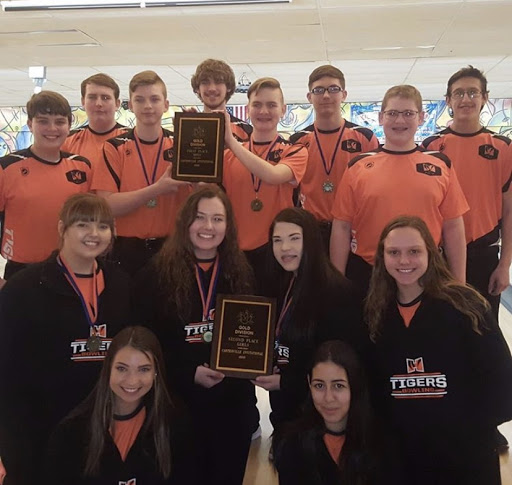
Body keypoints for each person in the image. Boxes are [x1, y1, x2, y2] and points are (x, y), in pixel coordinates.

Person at [366, 215, 512, 485]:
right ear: (382, 258)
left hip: (464, 458)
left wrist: (471, 429)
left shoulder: (465, 306)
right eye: (394, 252)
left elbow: (502, 382)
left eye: (414, 252)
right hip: (403, 458)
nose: (404, 261)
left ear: (432, 254)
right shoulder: (376, 313)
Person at [0, 193, 130, 485]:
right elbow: (6, 374)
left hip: (101, 427)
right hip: (40, 429)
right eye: (83, 225)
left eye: (103, 226)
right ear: (62, 229)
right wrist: (11, 447)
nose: (94, 234)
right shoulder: (24, 289)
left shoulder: (122, 285)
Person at [133, 186, 257, 485]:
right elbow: (146, 343)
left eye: (217, 219)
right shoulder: (156, 275)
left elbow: (252, 339)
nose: (208, 227)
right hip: (178, 408)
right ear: (185, 221)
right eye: (200, 218)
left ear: (228, 226)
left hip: (231, 409)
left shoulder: (242, 272)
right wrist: (188, 372)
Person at [330, 84, 468, 295]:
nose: (400, 120)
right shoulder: (357, 166)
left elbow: (453, 227)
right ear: (380, 117)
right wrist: (336, 281)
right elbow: (341, 228)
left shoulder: (441, 165)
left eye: (408, 113)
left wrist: (459, 283)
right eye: (392, 113)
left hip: (425, 272)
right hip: (368, 272)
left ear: (421, 117)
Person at [255, 207, 366, 430]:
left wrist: (286, 382)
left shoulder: (338, 293)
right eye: (277, 240)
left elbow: (340, 364)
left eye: (294, 238)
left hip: (320, 419)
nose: (285, 248)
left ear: (312, 241)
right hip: (285, 411)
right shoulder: (282, 283)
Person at [45, 326, 196, 485]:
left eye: (144, 369)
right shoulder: (71, 432)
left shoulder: (174, 422)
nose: (132, 380)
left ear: (156, 372)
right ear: (108, 368)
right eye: (122, 368)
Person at [422, 66, 512, 323]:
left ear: (485, 97)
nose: (466, 99)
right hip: (438, 255)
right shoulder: (430, 148)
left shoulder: (503, 148)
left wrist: (504, 264)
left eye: (473, 93)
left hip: (483, 253)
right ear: (448, 100)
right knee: (440, 326)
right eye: (458, 93)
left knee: (481, 328)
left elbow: (508, 209)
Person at [92, 70, 191, 275]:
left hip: (172, 246)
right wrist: (157, 189)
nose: (147, 106)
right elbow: (107, 206)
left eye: (155, 99)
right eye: (140, 100)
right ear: (130, 105)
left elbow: (203, 192)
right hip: (125, 250)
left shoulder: (182, 145)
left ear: (165, 104)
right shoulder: (113, 147)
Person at [222, 77, 307, 286]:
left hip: (278, 252)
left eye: (271, 105)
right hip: (235, 252)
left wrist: (231, 142)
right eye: (257, 105)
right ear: (247, 109)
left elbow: (273, 176)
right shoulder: (227, 156)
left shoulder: (295, 151)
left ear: (283, 110)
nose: (264, 111)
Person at [0, 90, 92, 281]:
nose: (52, 128)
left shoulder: (82, 167)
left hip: (71, 269)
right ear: (30, 124)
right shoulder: (7, 167)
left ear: (69, 125)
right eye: (43, 121)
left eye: (59, 122)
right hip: (21, 271)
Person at [290, 65, 379, 249]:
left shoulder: (365, 138)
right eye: (318, 90)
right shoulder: (297, 141)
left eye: (333, 89)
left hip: (354, 228)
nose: (326, 96)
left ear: (344, 94)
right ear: (309, 97)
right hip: (311, 230)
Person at [62, 73, 127, 166]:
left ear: (117, 104)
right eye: (92, 97)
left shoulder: (132, 140)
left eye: (105, 98)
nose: (98, 103)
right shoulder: (67, 141)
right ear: (83, 102)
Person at [191, 58, 252, 142]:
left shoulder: (246, 130)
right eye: (205, 82)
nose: (212, 88)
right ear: (198, 88)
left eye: (218, 82)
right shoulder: (189, 127)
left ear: (229, 87)